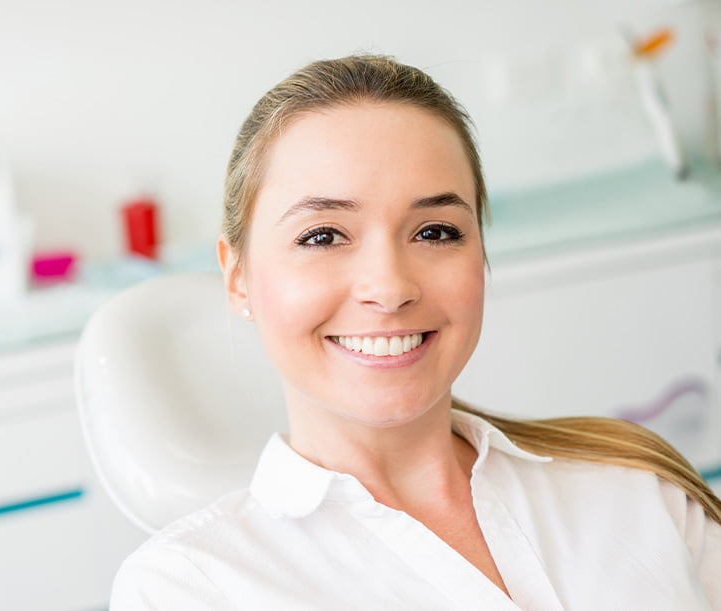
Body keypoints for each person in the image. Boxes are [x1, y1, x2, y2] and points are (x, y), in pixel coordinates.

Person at [109, 54, 721, 609]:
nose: (390, 286)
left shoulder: (638, 490)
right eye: (322, 236)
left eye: (435, 232)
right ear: (238, 278)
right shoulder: (187, 588)